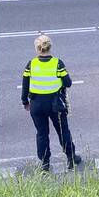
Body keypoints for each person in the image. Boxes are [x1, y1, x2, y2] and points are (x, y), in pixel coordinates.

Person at [22, 35, 81, 172]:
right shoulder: (57, 63)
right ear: (50, 47)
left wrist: (25, 101)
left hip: (36, 104)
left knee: (42, 134)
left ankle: (45, 163)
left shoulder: (31, 64)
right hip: (55, 104)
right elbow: (68, 83)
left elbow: (25, 85)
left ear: (37, 49)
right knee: (63, 131)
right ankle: (71, 158)